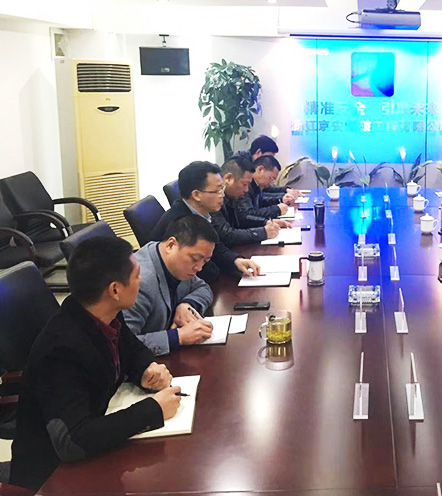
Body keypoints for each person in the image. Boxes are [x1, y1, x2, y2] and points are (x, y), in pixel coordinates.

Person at [10, 237, 182, 490]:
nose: (141, 281)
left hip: (100, 436)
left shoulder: (101, 313)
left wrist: (147, 368)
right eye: (136, 276)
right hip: (53, 476)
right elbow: (73, 441)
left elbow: (131, 349)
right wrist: (153, 410)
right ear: (115, 290)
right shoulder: (61, 350)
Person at [150, 160, 260, 282]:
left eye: (222, 189)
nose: (222, 195)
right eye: (217, 190)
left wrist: (235, 261)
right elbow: (205, 272)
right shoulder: (182, 223)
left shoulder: (200, 213)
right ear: (196, 195)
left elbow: (215, 246)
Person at [124, 216, 217, 356]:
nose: (199, 268)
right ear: (171, 245)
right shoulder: (138, 281)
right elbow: (122, 347)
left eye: (205, 261)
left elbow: (203, 288)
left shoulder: (177, 263)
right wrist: (178, 337)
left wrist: (186, 304)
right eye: (195, 259)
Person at [211, 154, 287, 246]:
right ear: (228, 179)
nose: (246, 190)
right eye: (244, 184)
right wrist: (263, 232)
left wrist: (265, 222)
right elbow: (226, 235)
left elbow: (242, 218)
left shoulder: (232, 195)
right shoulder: (213, 200)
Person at [249, 135, 302, 200]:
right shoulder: (244, 169)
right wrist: (281, 198)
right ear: (258, 153)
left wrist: (285, 191)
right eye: (269, 157)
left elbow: (265, 189)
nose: (271, 160)